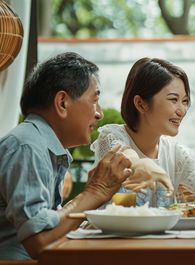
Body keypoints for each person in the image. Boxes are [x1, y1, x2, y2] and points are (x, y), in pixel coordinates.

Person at [0, 52, 133, 260]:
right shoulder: (27, 146)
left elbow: (51, 226)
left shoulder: (42, 145)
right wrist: (95, 192)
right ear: (62, 102)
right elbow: (39, 240)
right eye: (94, 100)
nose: (99, 113)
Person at [91, 57, 195, 207]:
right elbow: (126, 156)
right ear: (140, 104)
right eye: (173, 100)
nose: (182, 110)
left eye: (184, 101)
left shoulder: (179, 154)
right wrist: (142, 164)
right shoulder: (111, 136)